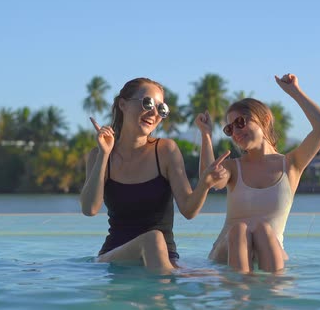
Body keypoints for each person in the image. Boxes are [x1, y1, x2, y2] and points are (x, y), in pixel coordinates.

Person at [80, 77, 229, 273]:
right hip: (115, 257)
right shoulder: (98, 155)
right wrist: (104, 155)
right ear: (122, 104)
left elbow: (188, 210)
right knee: (153, 238)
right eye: (147, 103)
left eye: (161, 109)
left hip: (164, 259)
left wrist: (205, 184)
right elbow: (90, 209)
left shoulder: (166, 151)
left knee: (211, 281)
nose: (154, 113)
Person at [195, 73, 320, 273]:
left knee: (262, 230)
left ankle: (270, 299)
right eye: (229, 129)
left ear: (265, 120)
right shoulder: (234, 167)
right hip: (227, 252)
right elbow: (208, 179)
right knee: (240, 230)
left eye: (240, 122)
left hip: (270, 250)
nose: (236, 132)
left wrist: (294, 92)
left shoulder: (291, 164)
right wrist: (206, 135)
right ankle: (240, 297)